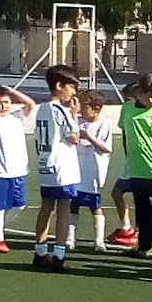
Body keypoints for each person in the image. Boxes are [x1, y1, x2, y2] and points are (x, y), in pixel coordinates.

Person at [32, 65, 81, 272]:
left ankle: (40, 252)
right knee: (63, 209)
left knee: (46, 208)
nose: (74, 92)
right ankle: (59, 255)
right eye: (71, 87)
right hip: (62, 167)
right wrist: (75, 115)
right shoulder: (60, 111)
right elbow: (74, 137)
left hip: (46, 164)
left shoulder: (42, 108)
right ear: (59, 85)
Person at [118, 73, 152, 258]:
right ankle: (144, 246)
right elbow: (125, 134)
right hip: (136, 170)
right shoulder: (127, 109)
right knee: (141, 211)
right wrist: (128, 157)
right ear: (140, 93)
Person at [0, 84, 36, 253]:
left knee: (19, 205)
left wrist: (12, 91)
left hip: (18, 170)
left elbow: (30, 104)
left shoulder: (17, 116)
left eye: (7, 102)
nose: (4, 106)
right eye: (1, 102)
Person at [66, 90, 112, 253]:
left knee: (95, 206)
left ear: (96, 108)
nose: (82, 112)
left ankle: (99, 241)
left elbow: (106, 148)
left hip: (93, 171)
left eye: (84, 108)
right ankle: (70, 238)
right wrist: (73, 113)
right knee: (73, 204)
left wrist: (89, 137)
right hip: (77, 170)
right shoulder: (78, 121)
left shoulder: (104, 124)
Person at [106, 82, 139, 247]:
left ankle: (138, 231)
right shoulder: (127, 110)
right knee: (117, 193)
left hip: (140, 161)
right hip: (130, 160)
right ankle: (126, 226)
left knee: (139, 196)